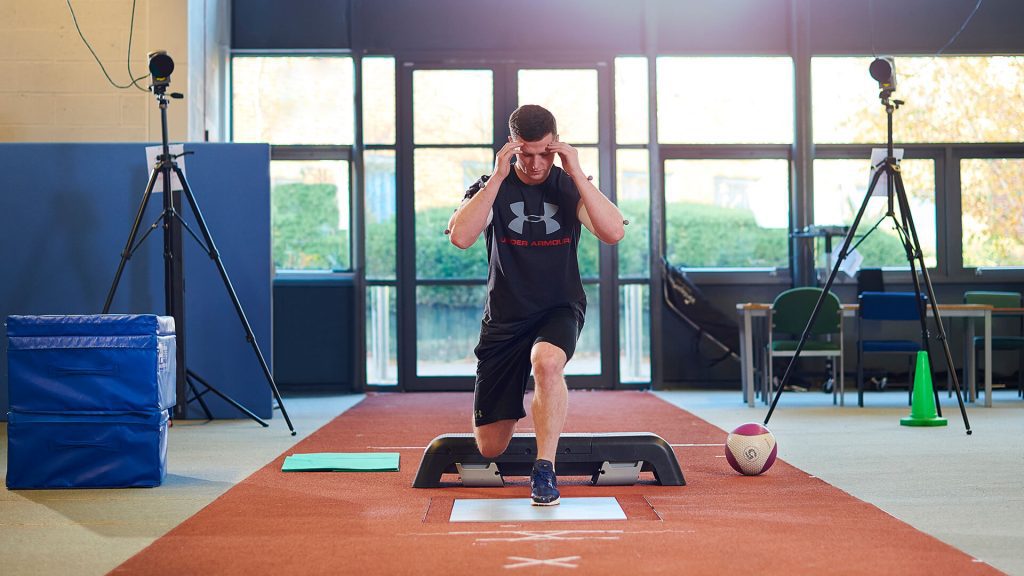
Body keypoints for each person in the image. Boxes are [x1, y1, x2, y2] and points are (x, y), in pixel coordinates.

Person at [447, 104, 626, 505]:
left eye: (545, 152)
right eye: (526, 154)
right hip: (505, 318)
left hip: (557, 307)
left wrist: (576, 172)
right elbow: (460, 237)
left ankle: (544, 469)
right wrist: (497, 176)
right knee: (490, 447)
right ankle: (519, 407)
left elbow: (613, 232)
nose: (535, 163)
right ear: (512, 147)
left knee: (547, 362)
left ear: (556, 145)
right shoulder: (489, 186)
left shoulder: (567, 186)